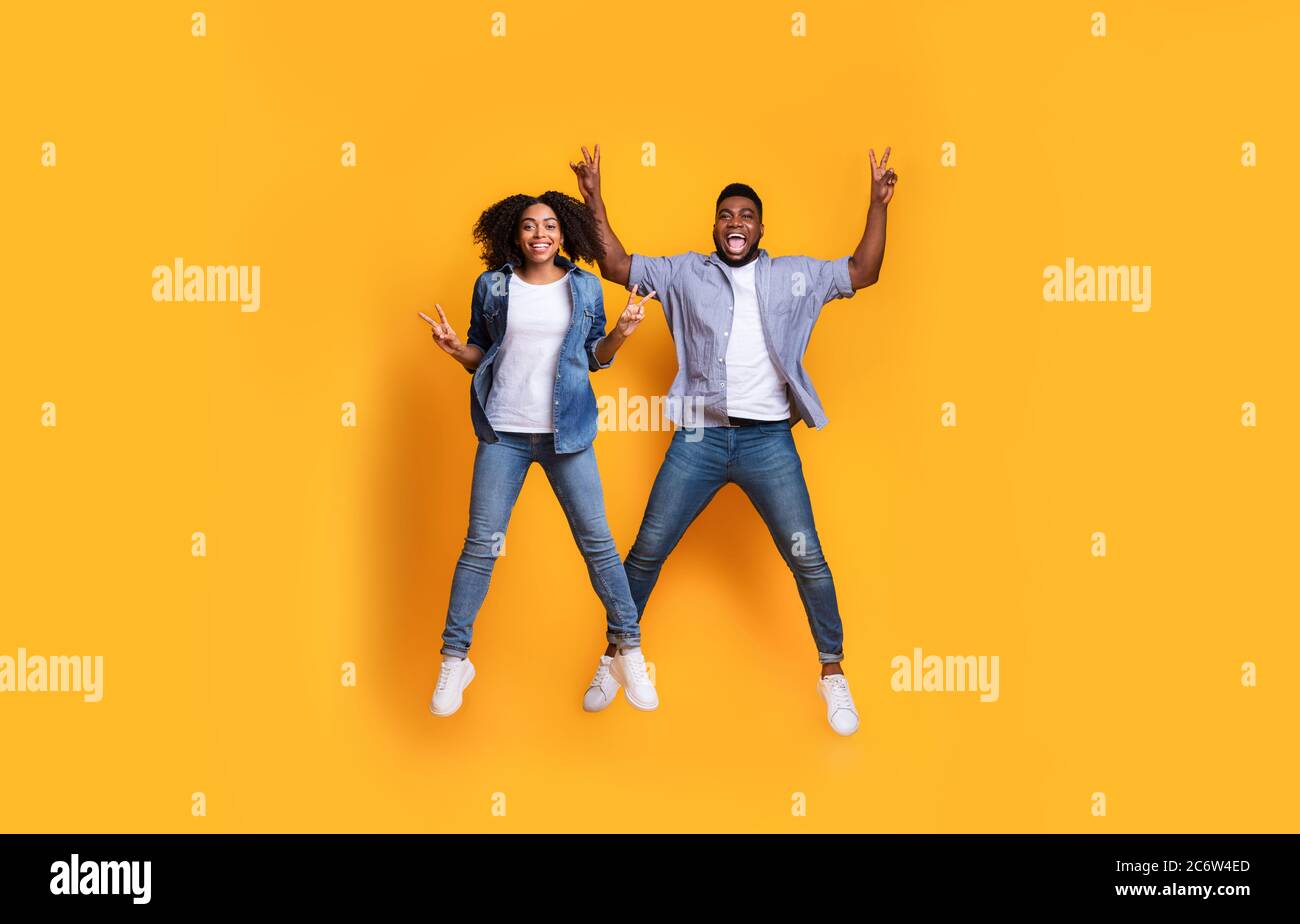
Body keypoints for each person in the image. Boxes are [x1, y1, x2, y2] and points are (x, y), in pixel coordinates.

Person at [569, 144, 898, 735]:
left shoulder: (793, 274)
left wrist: (877, 205)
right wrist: (593, 194)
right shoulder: (683, 272)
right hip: (699, 436)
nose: (735, 223)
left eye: (746, 215)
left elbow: (862, 271)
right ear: (714, 226)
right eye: (726, 215)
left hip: (768, 442)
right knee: (645, 552)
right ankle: (616, 657)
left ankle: (833, 675)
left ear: (760, 227)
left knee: (808, 559)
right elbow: (615, 263)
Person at [424, 190, 660, 717]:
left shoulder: (585, 287)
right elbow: (479, 353)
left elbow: (595, 356)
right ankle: (455, 658)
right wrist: (453, 348)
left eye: (550, 226)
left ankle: (629, 648)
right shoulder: (492, 285)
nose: (540, 234)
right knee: (480, 548)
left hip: (567, 434)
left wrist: (620, 334)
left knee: (598, 544)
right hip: (504, 433)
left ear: (563, 234)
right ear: (514, 233)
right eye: (530, 226)